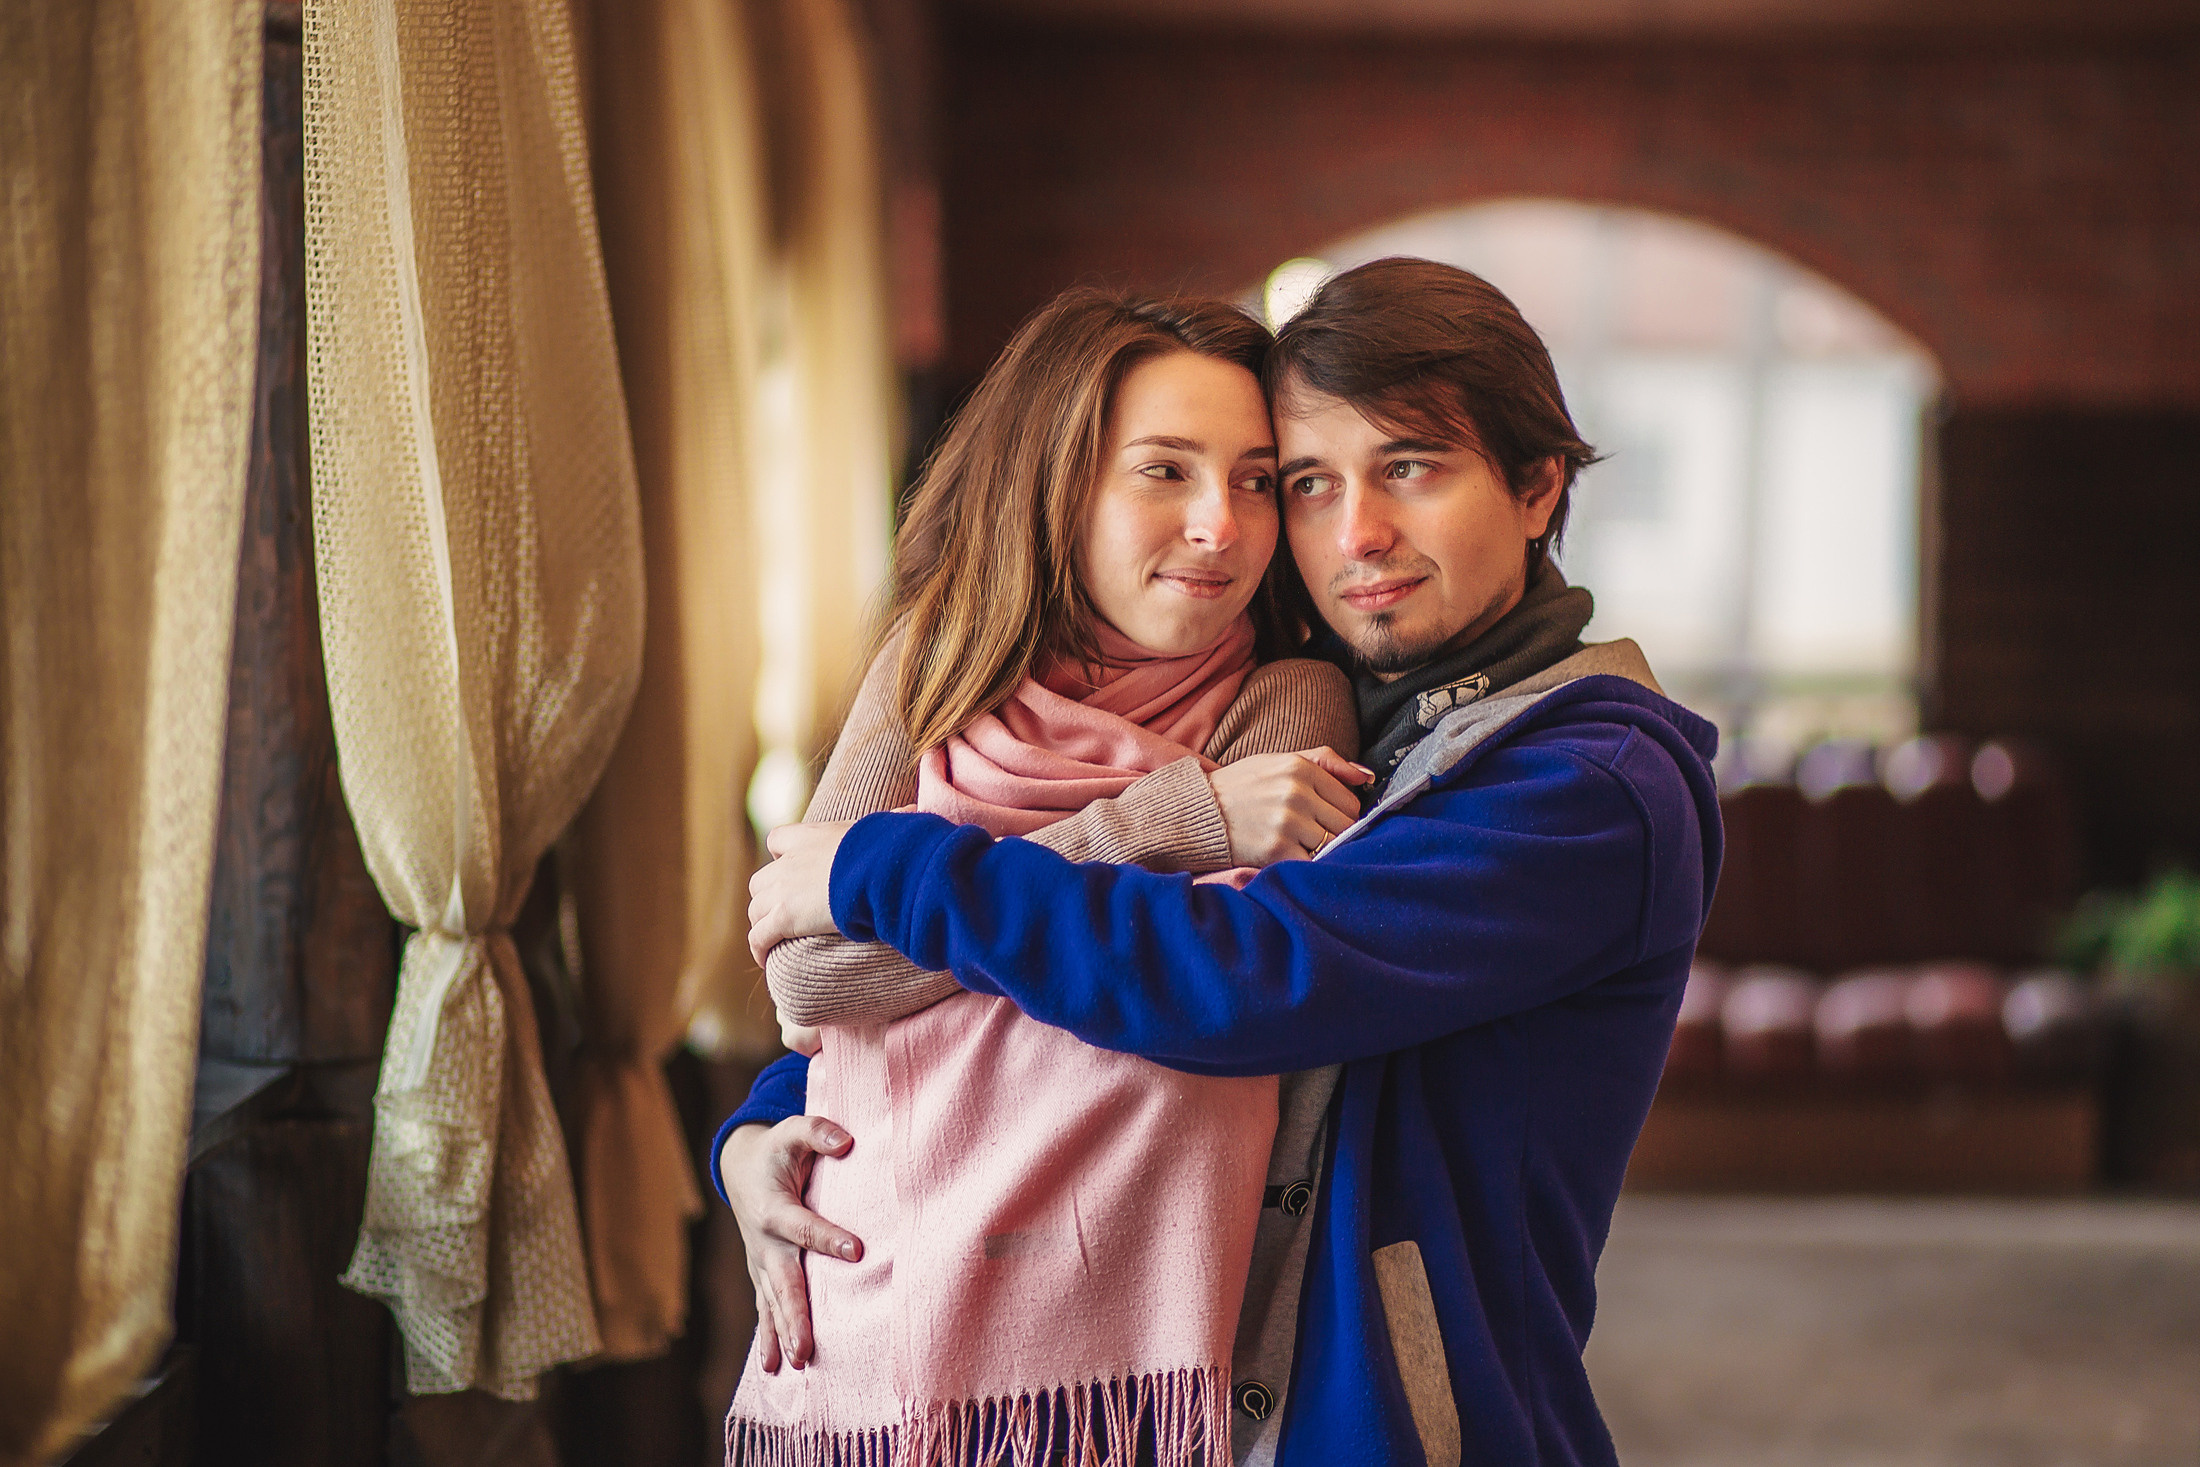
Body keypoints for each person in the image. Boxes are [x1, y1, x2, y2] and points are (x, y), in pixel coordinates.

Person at [733, 257, 1725, 1467]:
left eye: (1408, 466)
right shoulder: (1364, 710)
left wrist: (888, 870)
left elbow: (1245, 978)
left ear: (1534, 487)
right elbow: (1027, 1014)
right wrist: (773, 1120)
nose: (1355, 532)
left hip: (1397, 1430)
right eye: (1308, 483)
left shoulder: (1591, 782)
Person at [716, 287, 1374, 1465]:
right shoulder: (934, 665)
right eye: (1163, 471)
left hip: (1114, 1357)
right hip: (876, 1301)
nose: (1221, 524)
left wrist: (898, 886)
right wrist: (1168, 824)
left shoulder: (1287, 701)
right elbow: (812, 980)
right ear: (1057, 480)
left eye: (1257, 479)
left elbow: (1185, 991)